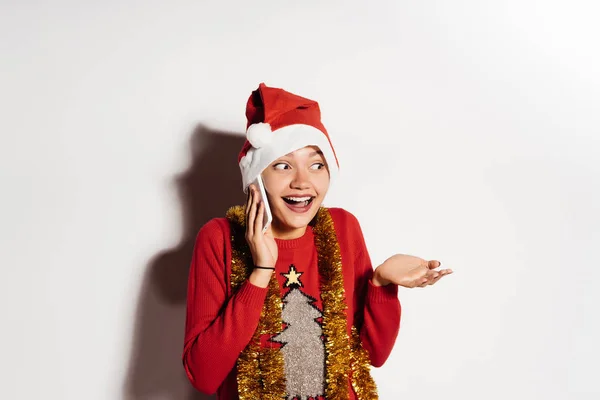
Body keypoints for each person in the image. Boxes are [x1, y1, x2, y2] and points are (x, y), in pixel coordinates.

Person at [182, 83, 453, 400]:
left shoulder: (343, 228)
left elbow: (372, 355)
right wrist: (260, 271)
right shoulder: (219, 239)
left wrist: (380, 283)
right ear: (257, 177)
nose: (302, 181)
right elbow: (203, 375)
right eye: (282, 165)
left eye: (316, 164)